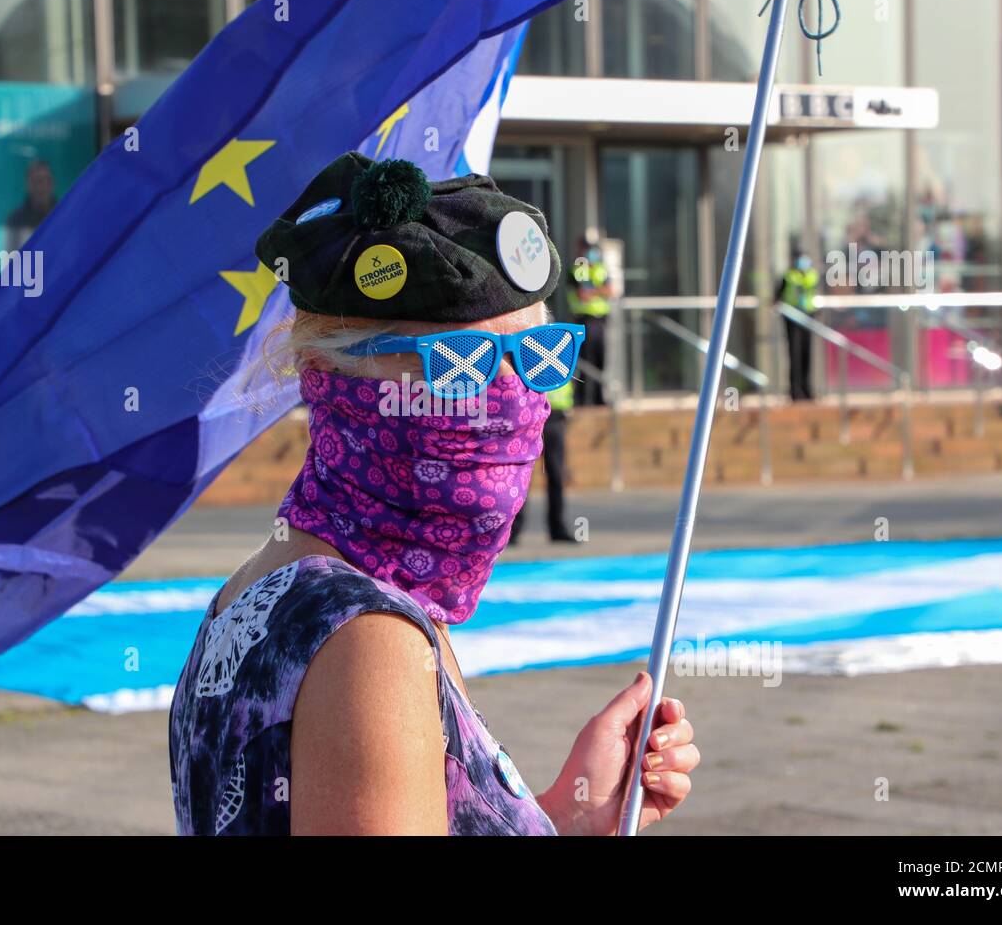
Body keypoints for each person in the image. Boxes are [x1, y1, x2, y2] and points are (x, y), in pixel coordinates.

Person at [169, 153, 698, 835]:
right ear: (336, 378)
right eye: (461, 365)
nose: (512, 400)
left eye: (538, 357)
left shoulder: (264, 587)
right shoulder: (370, 641)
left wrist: (566, 814)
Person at [510, 377, 577, 543]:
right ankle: (513, 530)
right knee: (523, 476)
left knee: (556, 475)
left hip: (554, 414)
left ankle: (557, 528)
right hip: (530, 411)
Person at [567, 230, 611, 406]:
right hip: (584, 321)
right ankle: (583, 401)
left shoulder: (600, 269)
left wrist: (596, 291)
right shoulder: (579, 269)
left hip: (600, 321)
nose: (590, 251)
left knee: (601, 361)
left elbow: (611, 291)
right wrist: (599, 291)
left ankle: (599, 399)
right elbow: (583, 294)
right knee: (586, 362)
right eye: (587, 247)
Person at [777, 252, 818, 401]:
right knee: (794, 355)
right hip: (792, 319)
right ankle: (795, 392)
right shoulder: (788, 276)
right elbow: (778, 297)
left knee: (806, 355)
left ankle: (807, 390)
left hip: (807, 317)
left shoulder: (812, 275)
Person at [5, 159, 57, 251]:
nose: (41, 187)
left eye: (44, 180)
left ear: (52, 183)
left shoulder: (63, 215)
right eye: (36, 181)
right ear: (28, 185)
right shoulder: (16, 220)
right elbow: (12, 259)